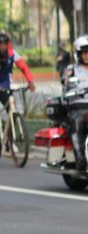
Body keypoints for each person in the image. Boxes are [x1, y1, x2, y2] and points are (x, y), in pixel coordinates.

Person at [0, 33, 35, 136]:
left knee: (11, 109)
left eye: (5, 44)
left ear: (8, 44)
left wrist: (30, 81)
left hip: (4, 84)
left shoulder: (12, 53)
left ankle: (10, 139)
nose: (2, 47)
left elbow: (23, 66)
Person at [62, 35, 88, 170]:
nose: (87, 56)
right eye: (84, 53)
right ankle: (80, 158)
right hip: (79, 107)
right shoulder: (72, 69)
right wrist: (72, 87)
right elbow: (65, 84)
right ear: (78, 54)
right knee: (78, 120)